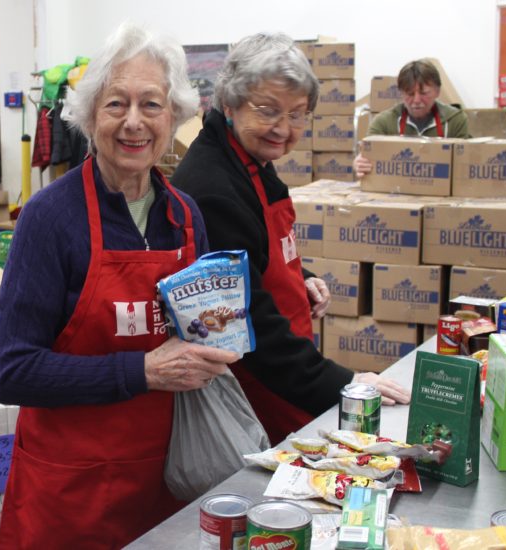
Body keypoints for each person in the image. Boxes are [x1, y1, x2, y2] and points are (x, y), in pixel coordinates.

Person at [0, 23, 239, 548]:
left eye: (151, 105)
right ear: (88, 116)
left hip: (167, 486)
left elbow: (202, 338)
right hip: (69, 495)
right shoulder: (48, 219)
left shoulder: (186, 217)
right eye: (115, 104)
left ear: (173, 117)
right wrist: (142, 371)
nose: (133, 122)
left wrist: (225, 342)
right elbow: (11, 372)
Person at [171, 33, 411, 445]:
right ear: (229, 103)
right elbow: (247, 324)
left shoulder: (250, 159)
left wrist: (300, 277)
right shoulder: (213, 185)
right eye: (268, 111)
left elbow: (254, 254)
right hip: (263, 387)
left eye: (298, 114)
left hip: (288, 368)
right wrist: (345, 383)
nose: (284, 129)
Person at [354, 59, 470, 177]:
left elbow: (465, 165)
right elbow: (367, 156)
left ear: (437, 91)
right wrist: (360, 163)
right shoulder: (384, 122)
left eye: (424, 93)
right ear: (401, 93)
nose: (416, 100)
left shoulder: (456, 120)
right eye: (410, 94)